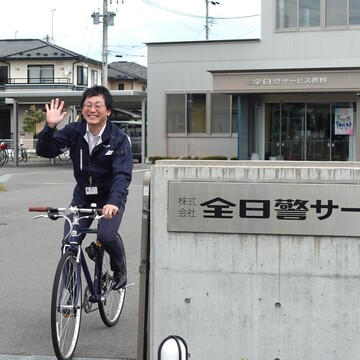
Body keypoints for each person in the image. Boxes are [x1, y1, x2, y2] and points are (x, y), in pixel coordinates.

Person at [36, 85, 133, 290]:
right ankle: (71, 295)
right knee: (69, 243)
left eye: (98, 105)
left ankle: (119, 268)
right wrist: (50, 127)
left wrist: (114, 202)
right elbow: (45, 151)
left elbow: (122, 175)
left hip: (109, 199)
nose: (92, 109)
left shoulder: (119, 139)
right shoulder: (74, 131)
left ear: (108, 111)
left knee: (106, 236)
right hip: (82, 197)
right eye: (88, 105)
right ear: (82, 110)